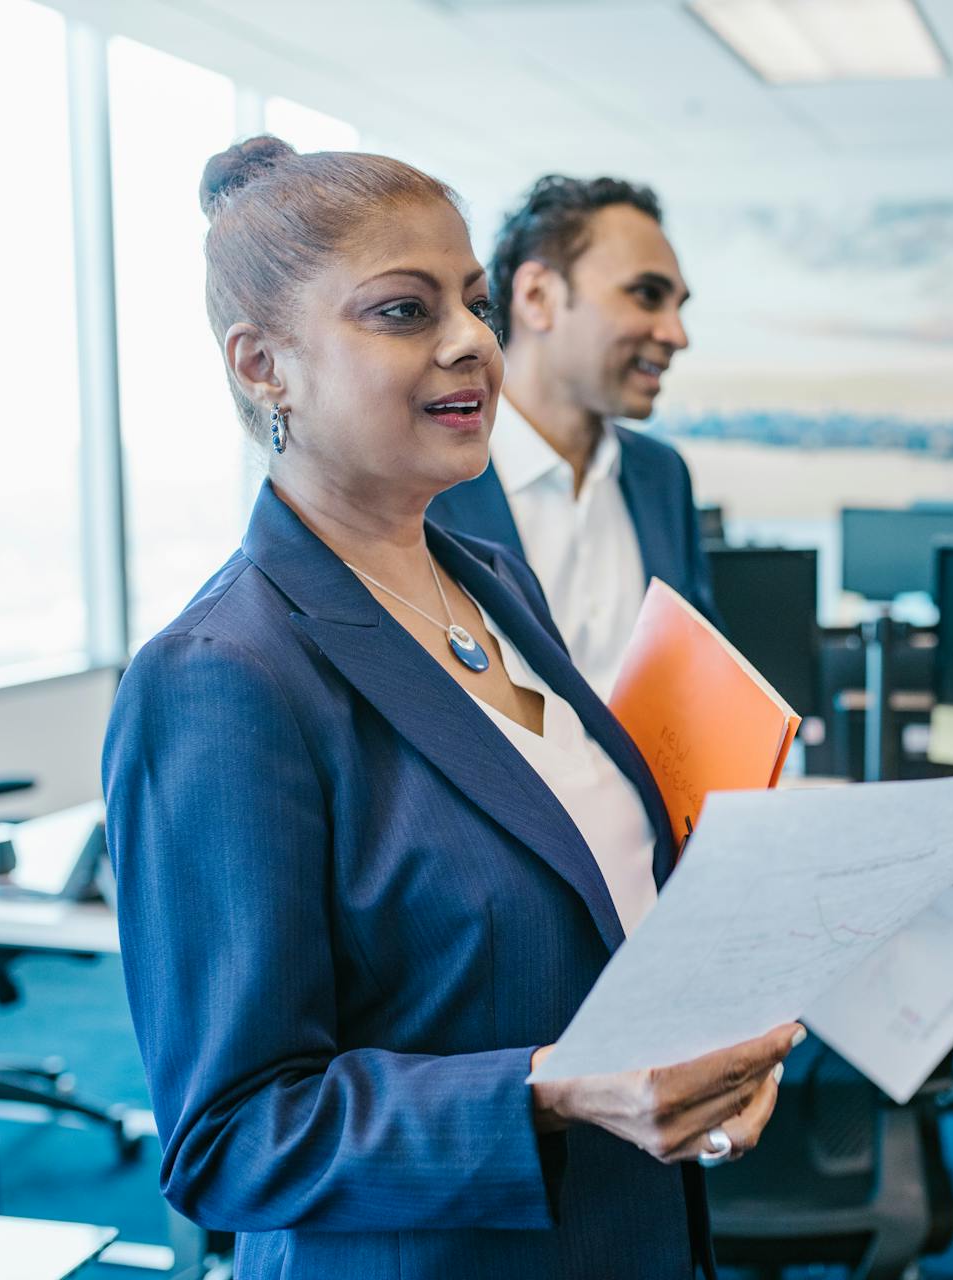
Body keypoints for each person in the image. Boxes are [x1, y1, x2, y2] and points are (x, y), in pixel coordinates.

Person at [102, 137, 800, 1280]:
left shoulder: (488, 583)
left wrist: (703, 1042)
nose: (472, 338)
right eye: (402, 310)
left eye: (473, 301)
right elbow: (231, 1135)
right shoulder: (221, 675)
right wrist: (552, 1091)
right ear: (263, 364)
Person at [427, 175, 718, 696]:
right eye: (647, 295)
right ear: (538, 296)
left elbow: (698, 680)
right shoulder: (428, 481)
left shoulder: (662, 476)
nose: (677, 334)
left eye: (678, 306)